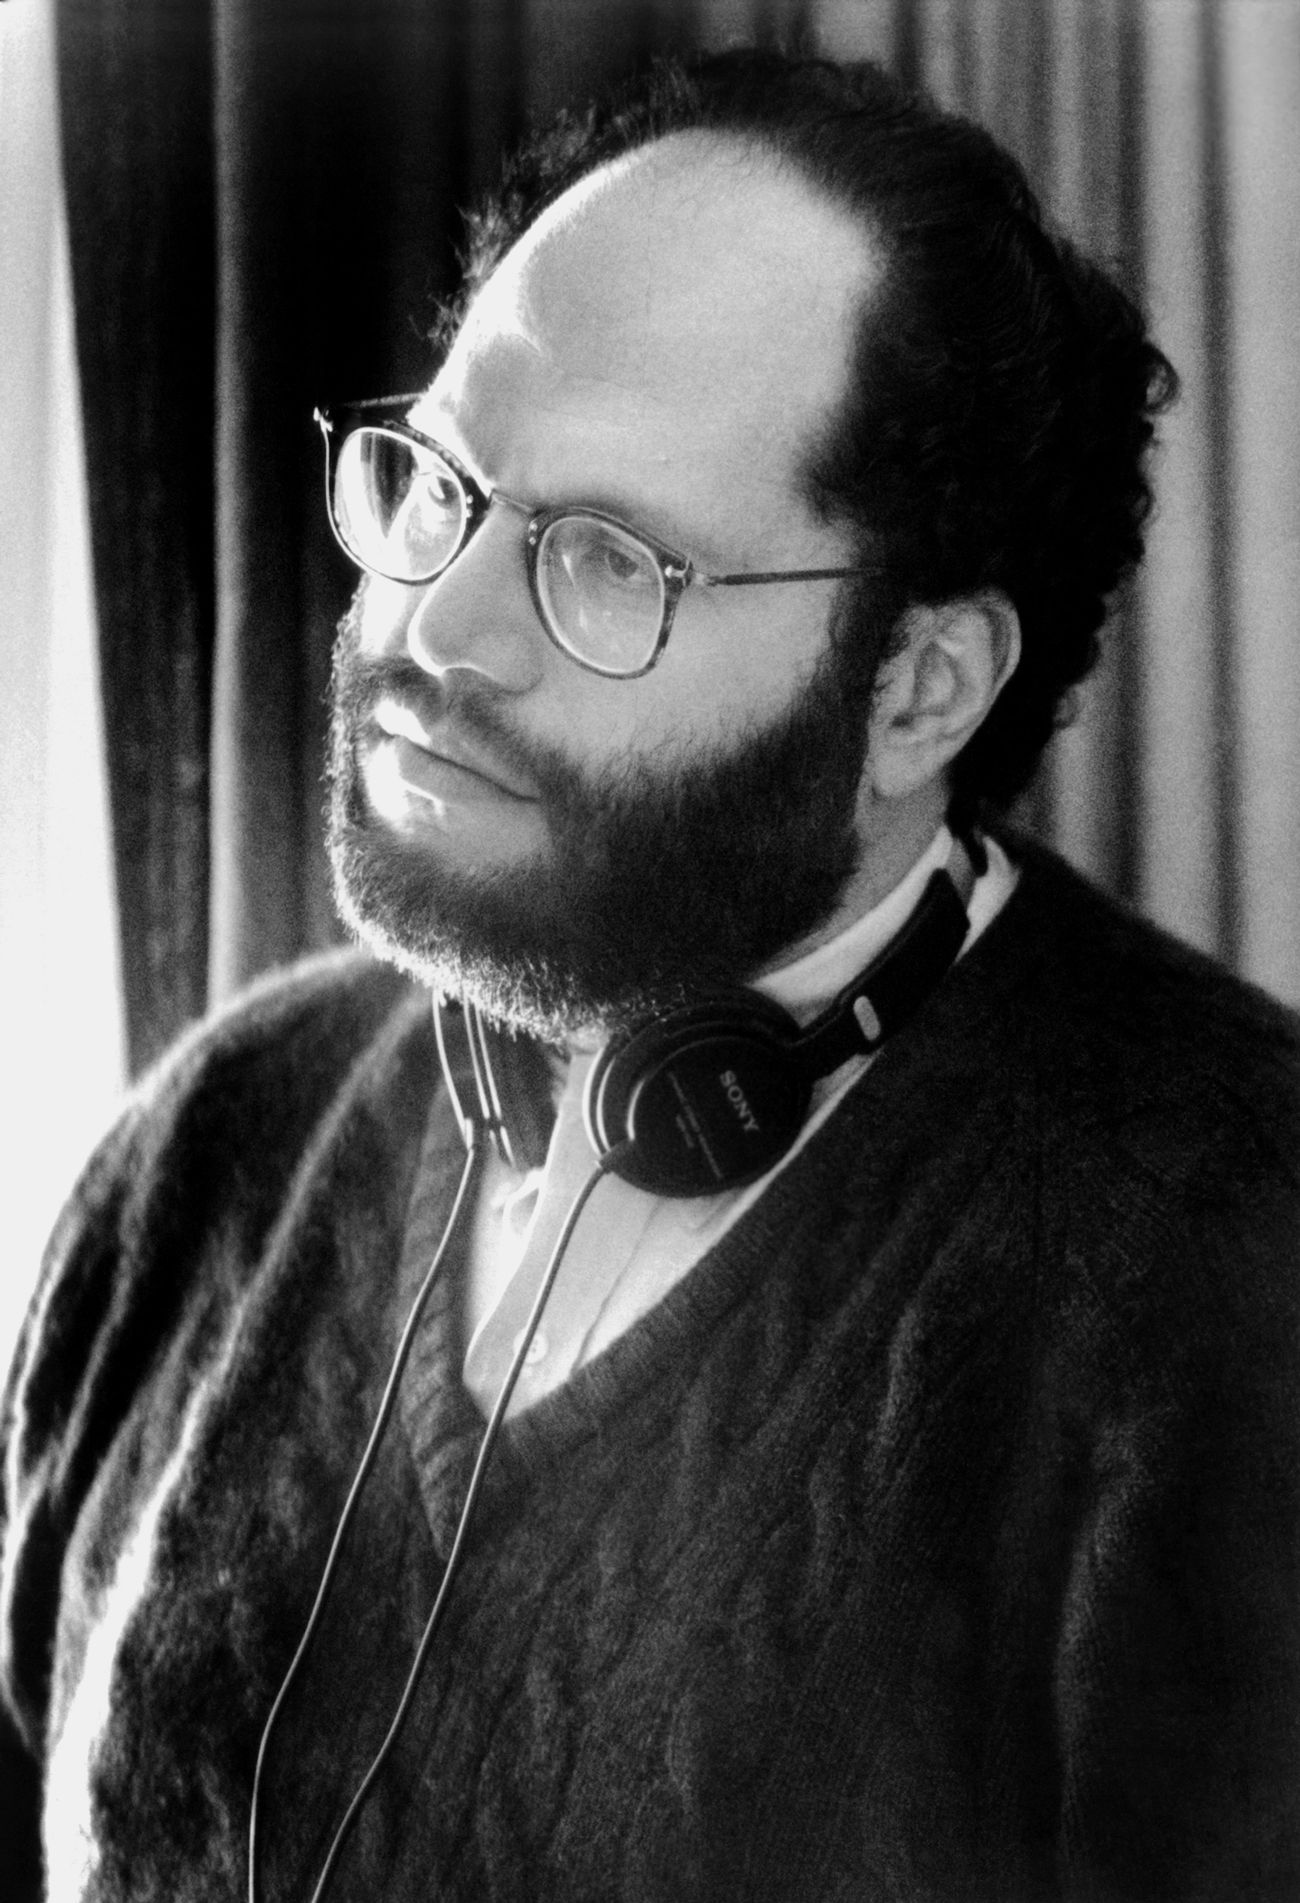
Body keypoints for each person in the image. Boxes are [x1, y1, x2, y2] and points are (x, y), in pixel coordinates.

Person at [4, 45, 1299, 1903]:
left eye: (609, 561)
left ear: (919, 689)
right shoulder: (209, 1148)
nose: (440, 624)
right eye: (444, 481)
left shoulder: (1235, 1289)